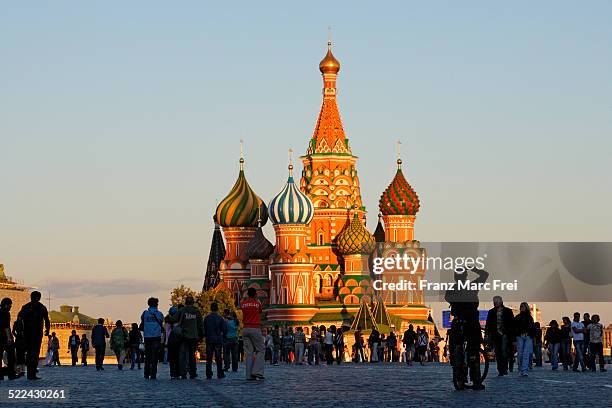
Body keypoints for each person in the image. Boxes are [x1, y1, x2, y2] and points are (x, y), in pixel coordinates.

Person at [19, 291, 50, 380]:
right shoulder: (41, 307)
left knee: (31, 353)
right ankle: (31, 373)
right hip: (35, 333)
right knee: (34, 353)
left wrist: (20, 331)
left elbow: (19, 319)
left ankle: (31, 374)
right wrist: (47, 330)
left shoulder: (26, 307)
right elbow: (47, 320)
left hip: (29, 333)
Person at [485, 296, 515, 376]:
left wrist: (512, 336)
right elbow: (488, 324)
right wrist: (487, 335)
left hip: (505, 334)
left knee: (504, 351)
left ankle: (504, 368)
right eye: (494, 301)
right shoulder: (491, 312)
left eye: (497, 301)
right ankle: (500, 370)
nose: (496, 303)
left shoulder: (508, 311)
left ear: (501, 301)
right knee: (498, 352)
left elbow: (512, 324)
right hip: (495, 334)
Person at [241, 287, 265, 380]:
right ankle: (257, 372)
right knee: (261, 349)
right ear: (255, 294)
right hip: (255, 328)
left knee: (249, 353)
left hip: (245, 329)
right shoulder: (257, 303)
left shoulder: (243, 304)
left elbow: (243, 309)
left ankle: (249, 375)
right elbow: (260, 312)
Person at [140, 297, 165, 379]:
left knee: (147, 356)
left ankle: (146, 373)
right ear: (156, 304)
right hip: (156, 337)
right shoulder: (159, 314)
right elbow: (162, 321)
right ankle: (153, 374)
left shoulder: (145, 313)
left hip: (147, 337)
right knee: (155, 357)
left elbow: (142, 322)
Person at [203, 302, 226, 379]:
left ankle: (208, 373)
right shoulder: (220, 318)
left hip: (209, 339)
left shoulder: (207, 318)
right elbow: (224, 329)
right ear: (217, 308)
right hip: (217, 339)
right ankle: (220, 373)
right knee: (218, 357)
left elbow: (204, 329)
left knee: (209, 358)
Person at [514, 302, 535, 377]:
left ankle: (524, 370)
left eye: (523, 306)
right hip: (520, 336)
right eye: (521, 306)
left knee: (526, 354)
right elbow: (514, 328)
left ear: (526, 307)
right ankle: (520, 368)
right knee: (520, 354)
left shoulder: (530, 317)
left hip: (528, 336)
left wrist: (532, 336)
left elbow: (532, 327)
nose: (521, 307)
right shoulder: (517, 317)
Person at [0, 297, 17, 380]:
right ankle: (11, 374)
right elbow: (6, 327)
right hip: (5, 338)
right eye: (10, 305)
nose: (11, 307)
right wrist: (9, 338)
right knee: (11, 357)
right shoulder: (6, 313)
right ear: (6, 305)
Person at [164, 307, 180, 379]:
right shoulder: (178, 321)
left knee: (171, 359)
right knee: (177, 358)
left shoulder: (167, 322)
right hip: (177, 340)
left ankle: (172, 373)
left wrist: (166, 343)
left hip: (170, 341)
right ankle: (178, 372)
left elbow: (167, 333)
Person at [12, 311, 26, 377]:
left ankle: (22, 370)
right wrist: (17, 336)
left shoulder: (24, 323)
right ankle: (19, 370)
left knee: (23, 355)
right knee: (19, 355)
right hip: (18, 340)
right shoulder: (16, 323)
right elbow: (13, 331)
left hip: (23, 340)